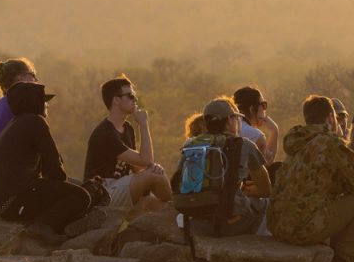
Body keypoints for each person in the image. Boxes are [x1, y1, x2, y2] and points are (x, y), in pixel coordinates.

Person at [267, 95, 354, 262]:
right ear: (330, 117)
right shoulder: (330, 142)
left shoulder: (296, 143)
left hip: (278, 225)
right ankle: (340, 261)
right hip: (302, 229)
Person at [0, 82, 103, 244]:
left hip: (5, 205)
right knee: (81, 196)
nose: (47, 105)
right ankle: (43, 228)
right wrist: (82, 190)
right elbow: (56, 170)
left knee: (76, 191)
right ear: (34, 103)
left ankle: (62, 225)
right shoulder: (36, 122)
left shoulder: (15, 124)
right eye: (44, 101)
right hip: (17, 202)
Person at [171, 98, 271, 237]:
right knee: (266, 203)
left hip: (197, 223)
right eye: (237, 119)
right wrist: (240, 192)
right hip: (231, 223)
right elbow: (265, 189)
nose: (239, 124)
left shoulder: (190, 144)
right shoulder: (244, 145)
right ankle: (256, 248)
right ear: (230, 120)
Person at [83, 76, 172, 213]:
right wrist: (143, 124)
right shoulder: (105, 133)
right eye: (130, 96)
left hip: (120, 187)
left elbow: (139, 166)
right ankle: (175, 198)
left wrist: (152, 168)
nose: (135, 100)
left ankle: (174, 202)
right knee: (156, 176)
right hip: (102, 191)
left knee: (164, 207)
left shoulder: (127, 129)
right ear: (116, 100)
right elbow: (146, 160)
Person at [0, 58, 38, 205]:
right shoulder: (18, 108)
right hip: (5, 191)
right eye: (32, 74)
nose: (36, 80)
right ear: (20, 78)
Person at [232, 86, 280, 163]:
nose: (265, 110)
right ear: (251, 109)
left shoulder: (231, 126)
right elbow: (268, 162)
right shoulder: (255, 135)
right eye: (263, 105)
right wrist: (274, 130)